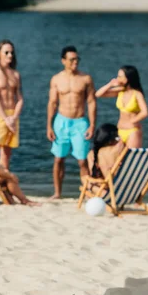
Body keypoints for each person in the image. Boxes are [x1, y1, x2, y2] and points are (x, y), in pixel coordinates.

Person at [47, 46, 97, 199]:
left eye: (77, 59)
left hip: (80, 123)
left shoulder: (85, 78)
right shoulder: (56, 79)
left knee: (82, 161)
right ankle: (57, 193)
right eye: (72, 59)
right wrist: (49, 126)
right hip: (61, 122)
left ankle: (87, 193)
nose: (75, 62)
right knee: (58, 159)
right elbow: (52, 103)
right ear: (63, 61)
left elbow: (91, 102)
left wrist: (92, 125)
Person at [0, 39, 24, 170]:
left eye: (11, 52)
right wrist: (5, 119)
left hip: (12, 115)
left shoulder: (15, 74)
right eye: (6, 52)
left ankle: (3, 186)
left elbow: (20, 99)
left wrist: (14, 117)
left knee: (7, 153)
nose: (10, 55)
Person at [95, 65, 148, 147]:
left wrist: (133, 120)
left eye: (120, 76)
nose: (117, 78)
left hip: (132, 131)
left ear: (128, 78)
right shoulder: (120, 91)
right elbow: (98, 94)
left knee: (130, 157)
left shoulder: (137, 94)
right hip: (119, 130)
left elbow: (145, 112)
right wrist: (110, 84)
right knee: (118, 157)